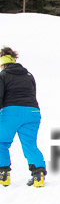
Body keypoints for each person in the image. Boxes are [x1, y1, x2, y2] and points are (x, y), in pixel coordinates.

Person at [0, 47, 47, 187]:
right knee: (30, 144)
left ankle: (3, 175)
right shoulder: (28, 75)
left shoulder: (3, 75)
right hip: (33, 113)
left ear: (3, 63)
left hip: (12, 112)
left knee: (1, 142)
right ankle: (38, 175)